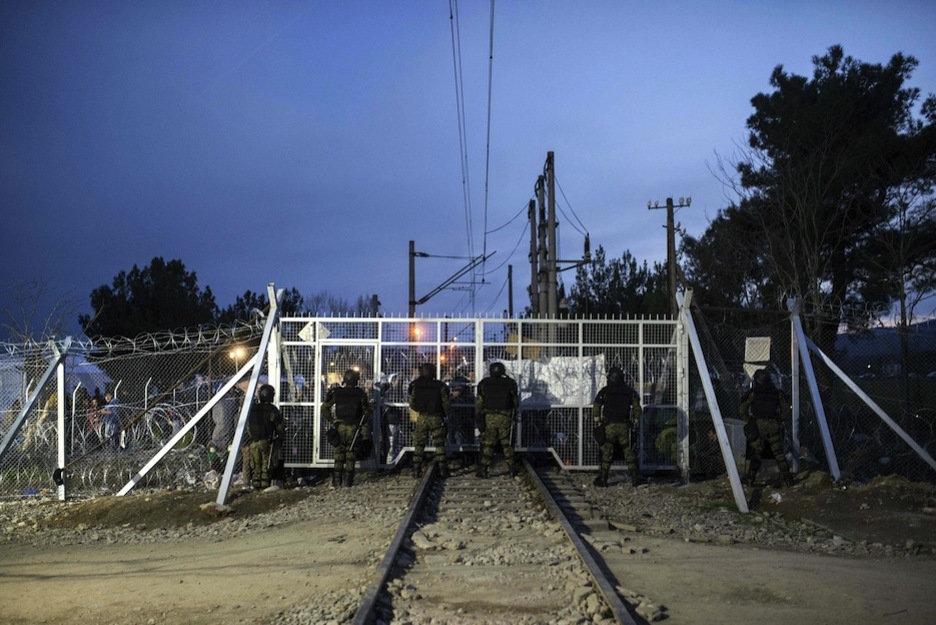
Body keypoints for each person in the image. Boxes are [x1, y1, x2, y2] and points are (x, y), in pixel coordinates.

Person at [740, 369, 795, 487]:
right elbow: (785, 410)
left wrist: (750, 420)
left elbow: (743, 409)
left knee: (756, 453)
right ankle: (788, 479)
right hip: (773, 425)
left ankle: (750, 479)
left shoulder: (754, 393)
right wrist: (778, 420)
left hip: (758, 425)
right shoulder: (776, 393)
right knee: (779, 453)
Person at [592, 366, 642, 487]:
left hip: (609, 426)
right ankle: (635, 478)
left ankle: (603, 479)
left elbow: (596, 406)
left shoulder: (605, 391)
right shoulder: (629, 391)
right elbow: (637, 408)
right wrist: (636, 421)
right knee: (628, 450)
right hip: (624, 426)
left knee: (606, 452)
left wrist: (597, 420)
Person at [321, 369, 371, 488]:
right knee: (351, 453)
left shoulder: (337, 392)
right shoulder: (360, 393)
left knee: (338, 452)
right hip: (353, 426)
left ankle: (337, 480)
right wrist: (361, 422)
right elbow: (366, 412)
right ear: (355, 381)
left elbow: (325, 407)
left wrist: (332, 420)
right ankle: (348, 481)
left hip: (340, 425)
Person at [475, 362, 520, 478]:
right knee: (507, 444)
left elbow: (480, 403)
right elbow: (515, 402)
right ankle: (511, 469)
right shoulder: (510, 383)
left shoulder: (484, 383)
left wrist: (479, 416)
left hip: (489, 417)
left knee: (488, 444)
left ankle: (483, 469)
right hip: (505, 417)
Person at [408, 362, 451, 479]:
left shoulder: (415, 385)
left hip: (422, 417)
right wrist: (445, 414)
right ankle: (443, 470)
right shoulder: (440, 386)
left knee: (419, 444)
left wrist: (420, 410)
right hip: (436, 417)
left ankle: (416, 470)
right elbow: (446, 403)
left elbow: (412, 403)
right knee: (440, 444)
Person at [246, 383, 284, 491]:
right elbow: (279, 426)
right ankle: (265, 486)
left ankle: (256, 486)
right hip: (266, 441)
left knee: (256, 466)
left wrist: (253, 436)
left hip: (254, 442)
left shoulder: (253, 409)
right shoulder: (272, 409)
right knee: (265, 466)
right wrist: (280, 438)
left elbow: (248, 427)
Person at [209, 379, 247, 472]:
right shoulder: (230, 400)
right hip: (229, 430)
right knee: (225, 451)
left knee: (215, 450)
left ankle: (216, 470)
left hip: (219, 431)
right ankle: (228, 470)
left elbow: (215, 417)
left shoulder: (219, 400)